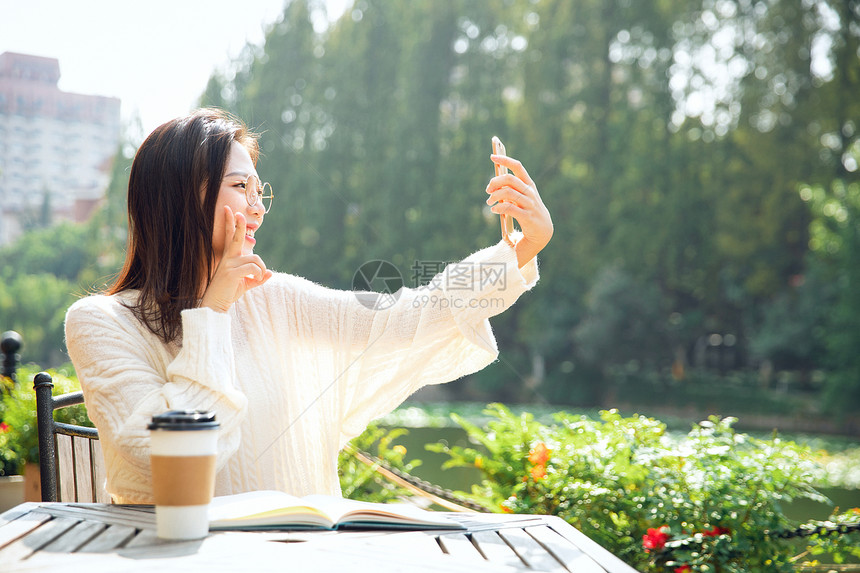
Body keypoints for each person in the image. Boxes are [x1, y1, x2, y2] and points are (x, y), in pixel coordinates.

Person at [65, 108, 553, 504]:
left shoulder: (278, 298)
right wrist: (212, 313)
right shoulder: (102, 323)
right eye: (240, 188)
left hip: (304, 554)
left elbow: (412, 314)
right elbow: (164, 456)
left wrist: (522, 249)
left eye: (260, 193)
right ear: (177, 199)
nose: (257, 208)